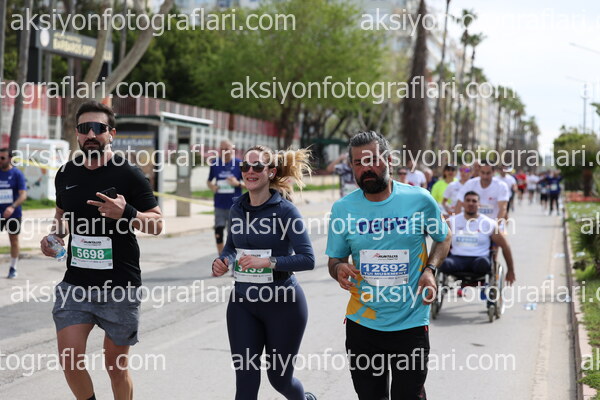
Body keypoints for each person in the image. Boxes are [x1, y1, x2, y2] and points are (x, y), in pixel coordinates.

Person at [40, 101, 163, 400]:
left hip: (119, 286)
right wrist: (53, 237)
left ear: (112, 134)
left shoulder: (129, 174)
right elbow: (62, 219)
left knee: (116, 367)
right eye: (85, 128)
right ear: (77, 134)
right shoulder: (66, 173)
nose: (91, 134)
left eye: (98, 128)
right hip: (76, 285)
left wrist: (127, 213)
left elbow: (157, 224)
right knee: (69, 359)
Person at [326, 131, 451, 400]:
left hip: (411, 322)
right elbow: (335, 259)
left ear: (389, 160)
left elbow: (443, 237)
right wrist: (338, 270)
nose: (366, 168)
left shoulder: (419, 200)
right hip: (363, 324)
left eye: (372, 160)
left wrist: (430, 270)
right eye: (358, 163)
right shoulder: (343, 209)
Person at [212, 145, 317, 400]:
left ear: (271, 172)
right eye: (245, 166)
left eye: (257, 166)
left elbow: (308, 259)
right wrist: (223, 260)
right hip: (243, 302)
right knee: (245, 381)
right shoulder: (237, 208)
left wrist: (268, 262)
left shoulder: (285, 211)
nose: (250, 171)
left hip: (283, 304)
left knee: (280, 380)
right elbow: (231, 247)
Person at [440, 191, 515, 284]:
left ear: (479, 205)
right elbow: (440, 243)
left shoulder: (489, 223)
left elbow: (505, 246)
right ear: (463, 204)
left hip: (479, 259)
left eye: (474, 201)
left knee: (483, 263)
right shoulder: (451, 222)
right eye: (468, 200)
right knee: (444, 263)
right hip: (457, 259)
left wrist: (510, 270)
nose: (471, 203)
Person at [207, 139, 244, 255]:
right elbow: (209, 181)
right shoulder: (215, 163)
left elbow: (249, 184)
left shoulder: (239, 164)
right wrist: (213, 187)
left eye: (227, 149)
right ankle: (222, 258)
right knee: (218, 231)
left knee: (233, 234)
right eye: (222, 149)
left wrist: (237, 183)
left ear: (232, 149)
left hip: (235, 205)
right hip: (219, 204)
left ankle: (234, 259)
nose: (224, 151)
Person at [0, 148, 27, 279]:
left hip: (13, 213)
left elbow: (23, 195)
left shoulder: (17, 174)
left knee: (14, 240)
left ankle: (13, 267)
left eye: (2, 158)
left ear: (10, 159)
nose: (0, 161)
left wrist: (12, 207)